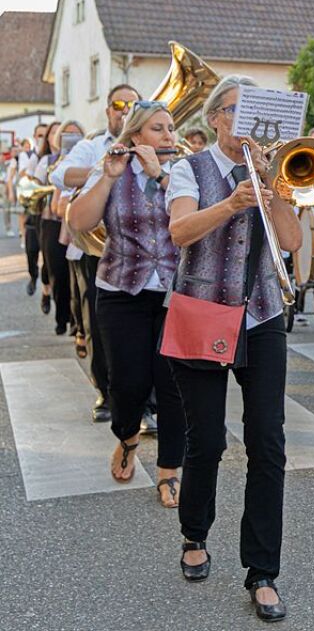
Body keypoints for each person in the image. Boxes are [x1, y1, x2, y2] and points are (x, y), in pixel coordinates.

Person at [167, 75, 300, 622]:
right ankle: (194, 534)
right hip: (202, 310)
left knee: (268, 441)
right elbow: (179, 231)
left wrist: (274, 190)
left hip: (263, 312)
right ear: (218, 118)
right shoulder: (189, 167)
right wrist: (230, 202)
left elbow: (290, 242)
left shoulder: (271, 170)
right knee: (207, 440)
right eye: (241, 112)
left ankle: (263, 570)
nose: (249, 125)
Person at [68, 102, 185, 505]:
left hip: (174, 293)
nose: (169, 136)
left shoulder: (181, 171)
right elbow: (77, 222)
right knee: (127, 382)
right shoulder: (111, 168)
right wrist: (106, 177)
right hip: (120, 289)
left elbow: (199, 219)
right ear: (136, 136)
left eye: (171, 128)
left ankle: (170, 469)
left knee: (172, 385)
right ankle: (128, 437)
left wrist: (162, 175)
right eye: (159, 129)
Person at [54, 84, 140, 422]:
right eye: (119, 104)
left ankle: (145, 400)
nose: (126, 110)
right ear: (108, 111)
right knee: (99, 323)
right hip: (97, 249)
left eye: (134, 105)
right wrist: (105, 169)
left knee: (143, 326)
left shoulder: (153, 147)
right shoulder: (92, 147)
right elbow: (59, 175)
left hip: (141, 251)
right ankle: (105, 393)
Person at [36, 120, 84, 336]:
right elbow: (55, 205)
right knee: (57, 271)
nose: (71, 138)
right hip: (53, 223)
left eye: (76, 134)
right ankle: (61, 317)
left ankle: (76, 323)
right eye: (66, 134)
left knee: (75, 277)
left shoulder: (87, 156)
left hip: (78, 227)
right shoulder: (50, 160)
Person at [19, 123, 49, 296]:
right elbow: (26, 179)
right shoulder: (32, 157)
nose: (43, 138)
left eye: (46, 135)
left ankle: (46, 289)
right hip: (34, 210)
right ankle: (33, 276)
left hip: (50, 214)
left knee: (49, 255)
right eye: (40, 135)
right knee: (31, 250)